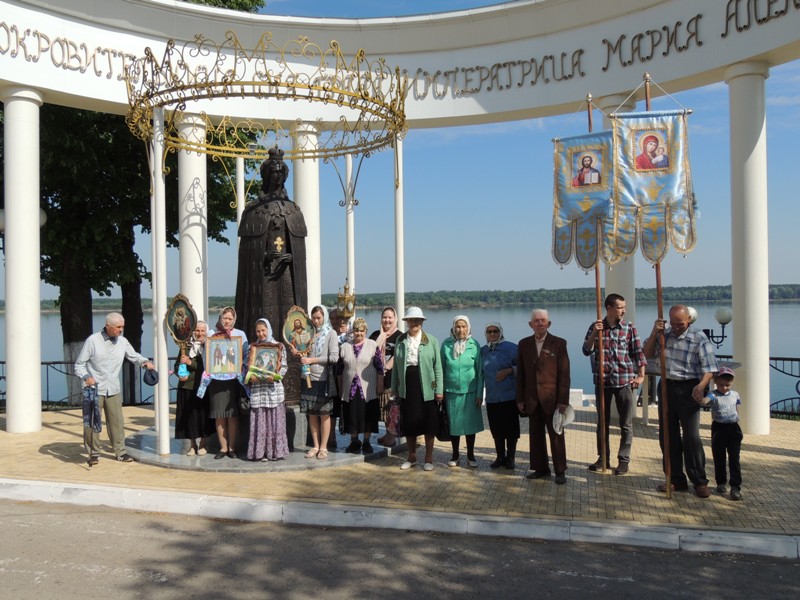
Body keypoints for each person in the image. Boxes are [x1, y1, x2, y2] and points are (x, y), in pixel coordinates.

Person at [235, 146, 307, 354]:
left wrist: (292, 256)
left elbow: (299, 250)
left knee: (289, 312)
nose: (278, 176)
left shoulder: (293, 209)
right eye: (274, 172)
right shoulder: (254, 210)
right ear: (267, 175)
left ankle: (292, 361)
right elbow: (246, 252)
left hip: (287, 273)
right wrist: (263, 255)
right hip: (264, 274)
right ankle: (262, 357)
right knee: (265, 311)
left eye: (281, 172)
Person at [643, 304, 718, 498]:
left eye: (680, 324)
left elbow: (710, 369)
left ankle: (699, 481)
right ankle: (675, 478)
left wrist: (701, 386)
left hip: (689, 388)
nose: (676, 328)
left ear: (689, 320)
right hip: (666, 387)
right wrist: (654, 332)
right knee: (668, 435)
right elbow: (646, 354)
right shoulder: (664, 335)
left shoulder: (699, 338)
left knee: (691, 436)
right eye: (673, 323)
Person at [75, 312, 156, 465]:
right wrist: (86, 377)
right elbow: (79, 364)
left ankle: (120, 452)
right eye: (118, 327)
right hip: (94, 389)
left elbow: (134, 356)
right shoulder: (92, 341)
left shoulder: (123, 342)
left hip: (113, 388)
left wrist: (145, 363)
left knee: (117, 422)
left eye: (122, 327)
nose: (121, 330)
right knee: (92, 422)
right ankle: (93, 453)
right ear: (108, 326)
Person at [581, 293, 646, 475]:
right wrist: (595, 333)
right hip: (603, 382)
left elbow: (638, 353)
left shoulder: (628, 327)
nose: (623, 311)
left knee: (626, 424)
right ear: (609, 308)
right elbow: (586, 350)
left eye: (624, 307)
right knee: (602, 423)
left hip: (624, 381)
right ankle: (603, 458)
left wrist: (641, 376)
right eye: (620, 307)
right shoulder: (596, 327)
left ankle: (623, 460)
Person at [516, 309, 571, 484]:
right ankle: (541, 469)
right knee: (536, 436)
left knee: (556, 436)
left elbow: (564, 375)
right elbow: (521, 374)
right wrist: (520, 399)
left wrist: (563, 400)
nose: (540, 323)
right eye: (536, 321)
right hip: (532, 398)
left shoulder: (559, 343)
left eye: (543, 320)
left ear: (549, 323)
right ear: (530, 324)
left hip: (552, 400)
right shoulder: (523, 344)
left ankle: (560, 471)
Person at [391, 306, 443, 472]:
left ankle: (428, 457)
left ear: (422, 322)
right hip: (408, 384)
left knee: (429, 422)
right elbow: (396, 367)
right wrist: (394, 387)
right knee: (410, 422)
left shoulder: (432, 340)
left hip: (427, 386)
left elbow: (438, 367)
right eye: (411, 320)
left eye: (417, 320)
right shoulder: (400, 340)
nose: (414, 323)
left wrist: (439, 389)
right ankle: (411, 456)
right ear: (407, 322)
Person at [296, 305, 339, 460]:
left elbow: (334, 358)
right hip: (308, 377)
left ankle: (323, 447)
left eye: (319, 318)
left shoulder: (331, 333)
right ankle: (315, 445)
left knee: (324, 414)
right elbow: (303, 350)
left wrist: (312, 360)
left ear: (324, 317)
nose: (316, 321)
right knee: (312, 413)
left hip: (323, 379)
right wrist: (299, 353)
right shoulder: (309, 333)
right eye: (313, 318)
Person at [206, 306, 249, 460]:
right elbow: (207, 355)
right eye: (225, 318)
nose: (227, 321)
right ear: (220, 318)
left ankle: (232, 448)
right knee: (219, 415)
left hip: (234, 381)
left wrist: (239, 366)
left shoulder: (240, 335)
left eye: (230, 318)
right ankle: (223, 448)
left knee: (232, 415)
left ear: (234, 320)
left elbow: (246, 355)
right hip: (217, 380)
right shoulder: (212, 334)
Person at [441, 315, 484, 468]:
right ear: (453, 328)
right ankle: (455, 455)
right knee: (454, 425)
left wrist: (479, 394)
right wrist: (440, 391)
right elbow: (441, 369)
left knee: (469, 426)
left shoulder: (474, 345)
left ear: (468, 328)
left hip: (470, 393)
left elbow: (480, 372)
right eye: (458, 327)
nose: (461, 330)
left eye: (463, 326)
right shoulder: (446, 345)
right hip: (451, 392)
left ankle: (471, 455)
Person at [338, 317, 384, 454]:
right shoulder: (344, 347)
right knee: (352, 414)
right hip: (350, 388)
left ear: (366, 331)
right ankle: (354, 441)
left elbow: (380, 368)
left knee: (368, 414)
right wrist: (340, 388)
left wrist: (379, 385)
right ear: (353, 331)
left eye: (362, 330)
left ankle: (367, 441)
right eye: (356, 330)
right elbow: (339, 370)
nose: (359, 333)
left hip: (368, 388)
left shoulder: (372, 345)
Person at [246, 318, 289, 462]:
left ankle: (275, 452)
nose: (261, 334)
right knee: (260, 421)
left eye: (263, 330)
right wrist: (250, 376)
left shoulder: (278, 346)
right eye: (258, 331)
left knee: (274, 421)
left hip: (273, 390)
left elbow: (283, 366)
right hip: (258, 390)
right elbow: (248, 365)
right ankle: (261, 453)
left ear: (268, 330)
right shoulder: (253, 348)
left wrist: (275, 376)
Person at [700, 366, 743, 501]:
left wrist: (738, 425)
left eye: (727, 385)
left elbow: (736, 408)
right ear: (716, 383)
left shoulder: (735, 395)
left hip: (733, 428)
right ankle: (721, 482)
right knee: (719, 457)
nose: (724, 388)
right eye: (721, 385)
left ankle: (735, 486)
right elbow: (705, 401)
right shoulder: (713, 394)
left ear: (732, 383)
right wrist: (700, 395)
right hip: (719, 428)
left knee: (734, 459)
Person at [480, 322, 519, 470]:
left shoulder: (512, 348)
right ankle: (500, 457)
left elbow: (524, 367)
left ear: (500, 332)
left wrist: (509, 371)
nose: (492, 334)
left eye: (495, 331)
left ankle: (511, 458)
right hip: (492, 397)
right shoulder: (483, 351)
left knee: (511, 429)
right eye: (489, 332)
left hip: (509, 396)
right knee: (496, 429)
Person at [174, 320, 214, 456]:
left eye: (202, 331)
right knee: (189, 417)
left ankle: (203, 443)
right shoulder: (186, 346)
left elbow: (208, 367)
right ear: (192, 332)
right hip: (187, 387)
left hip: (203, 386)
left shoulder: (209, 346)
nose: (200, 333)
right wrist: (179, 374)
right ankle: (192, 445)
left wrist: (190, 362)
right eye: (197, 330)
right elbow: (177, 364)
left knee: (202, 416)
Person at [370, 307, 402, 447]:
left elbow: (398, 355)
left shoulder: (400, 336)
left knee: (391, 409)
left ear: (395, 319)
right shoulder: (375, 334)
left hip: (392, 378)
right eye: (384, 317)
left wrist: (385, 368)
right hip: (376, 378)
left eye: (390, 317)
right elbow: (369, 351)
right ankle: (387, 435)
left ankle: (391, 437)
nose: (387, 320)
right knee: (381, 410)